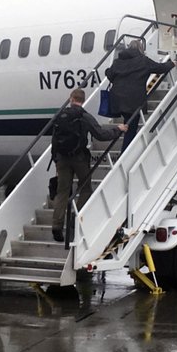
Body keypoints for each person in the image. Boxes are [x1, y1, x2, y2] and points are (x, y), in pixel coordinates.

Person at [51, 88, 127, 242]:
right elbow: (100, 135)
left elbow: (54, 139)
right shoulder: (84, 116)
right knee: (85, 189)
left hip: (62, 159)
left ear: (71, 98)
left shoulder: (60, 115)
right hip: (79, 158)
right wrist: (118, 130)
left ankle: (57, 226)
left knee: (62, 192)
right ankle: (75, 217)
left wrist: (56, 160)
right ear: (83, 100)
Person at [104, 39, 174, 152]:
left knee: (127, 123)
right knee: (131, 128)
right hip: (133, 101)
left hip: (117, 99)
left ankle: (121, 145)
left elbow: (110, 75)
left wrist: (108, 71)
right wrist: (171, 63)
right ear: (141, 49)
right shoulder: (143, 61)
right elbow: (160, 68)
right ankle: (124, 154)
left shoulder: (118, 61)